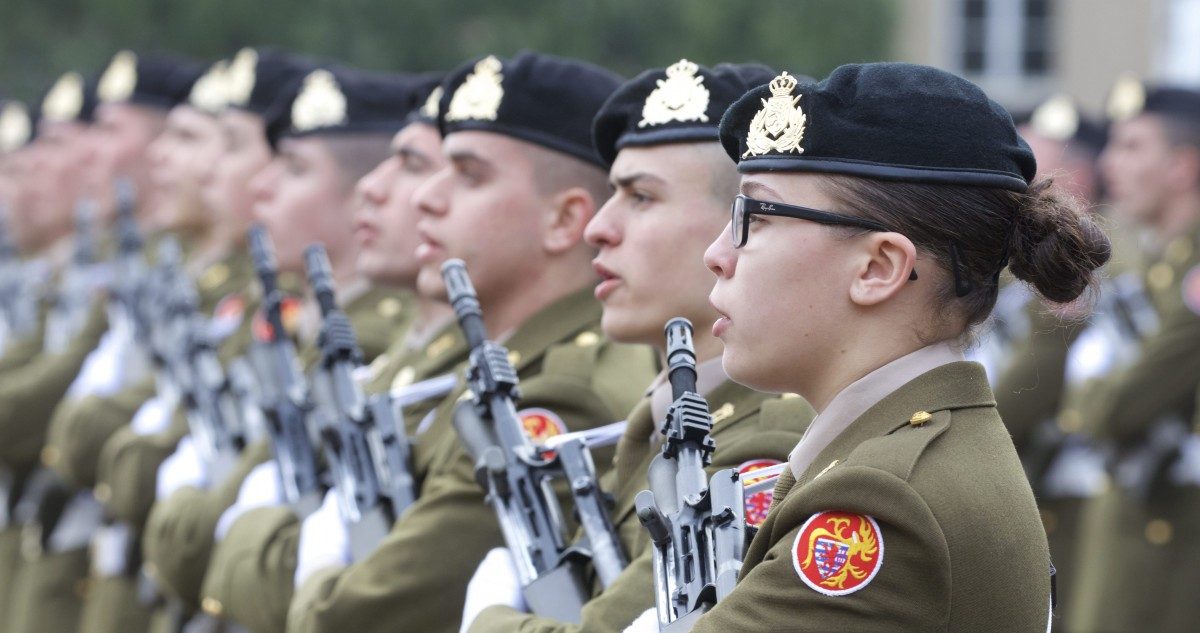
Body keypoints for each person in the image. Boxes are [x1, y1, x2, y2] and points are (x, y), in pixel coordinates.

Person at [654, 63, 1109, 633]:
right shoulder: (898, 457)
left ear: (878, 268)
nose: (717, 255)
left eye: (757, 217)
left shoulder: (881, 500)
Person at [286, 51, 659, 633]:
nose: (425, 199)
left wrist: (281, 558)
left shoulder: (557, 393)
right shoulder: (496, 366)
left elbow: (356, 619)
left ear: (564, 221)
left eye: (468, 175)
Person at [458, 58, 815, 633]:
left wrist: (485, 620)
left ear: (740, 223)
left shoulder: (763, 441)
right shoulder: (658, 419)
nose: (598, 227)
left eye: (641, 197)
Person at [139, 60, 414, 629]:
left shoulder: (369, 345)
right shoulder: (298, 319)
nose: (258, 183)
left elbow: (192, 548)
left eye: (291, 168)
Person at [1067, 82, 1200, 633]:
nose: (1108, 164)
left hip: (1173, 534)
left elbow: (1109, 409)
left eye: (1132, 146)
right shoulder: (1146, 274)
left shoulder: (1188, 284)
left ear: (1184, 167)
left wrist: (1098, 394)